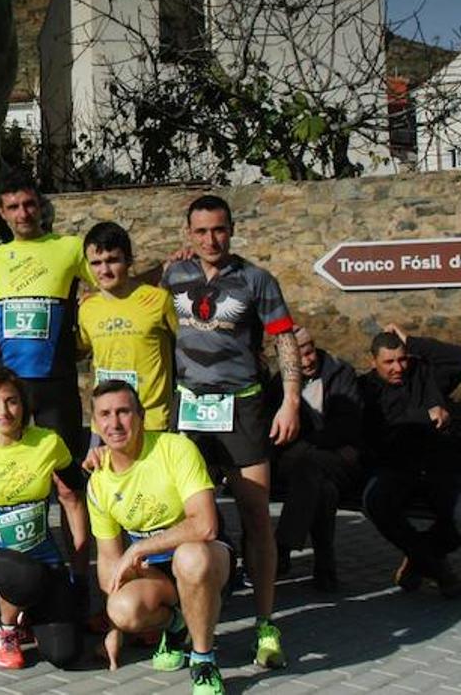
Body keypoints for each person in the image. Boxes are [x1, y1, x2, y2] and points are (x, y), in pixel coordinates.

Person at [160, 194, 299, 668]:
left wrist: (292, 401)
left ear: (232, 229)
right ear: (188, 234)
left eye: (218, 230)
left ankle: (265, 624)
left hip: (243, 408)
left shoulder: (257, 279)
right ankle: (180, 622)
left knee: (256, 519)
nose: (210, 240)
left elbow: (284, 338)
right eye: (200, 231)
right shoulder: (174, 273)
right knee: (186, 523)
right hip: (190, 410)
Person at [88, 379, 232, 695]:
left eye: (124, 412)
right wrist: (114, 627)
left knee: (190, 557)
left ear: (140, 415)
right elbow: (109, 561)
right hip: (156, 575)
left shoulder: (175, 448)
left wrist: (139, 547)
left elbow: (206, 525)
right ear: (95, 423)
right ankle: (176, 624)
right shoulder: (98, 481)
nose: (115, 423)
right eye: (105, 414)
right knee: (122, 609)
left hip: (207, 558)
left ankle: (203, 660)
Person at [0, 367, 89, 669]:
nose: (4, 411)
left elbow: (74, 497)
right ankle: (6, 628)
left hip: (44, 558)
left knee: (66, 654)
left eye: (11, 401)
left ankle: (29, 613)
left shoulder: (48, 442)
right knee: (25, 575)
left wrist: (79, 574)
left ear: (23, 405)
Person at [0, 177, 93, 460]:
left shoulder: (70, 247)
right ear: (2, 212)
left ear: (40, 207)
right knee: (8, 465)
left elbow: (111, 284)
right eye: (13, 207)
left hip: (56, 380)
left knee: (67, 474)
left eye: (28, 205)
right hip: (9, 384)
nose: (22, 214)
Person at [357, 324, 461, 599]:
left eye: (402, 359)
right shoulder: (365, 389)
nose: (397, 367)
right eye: (389, 362)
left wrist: (410, 340)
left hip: (440, 465)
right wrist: (427, 415)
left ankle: (418, 559)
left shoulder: (425, 374)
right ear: (372, 361)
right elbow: (382, 428)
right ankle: (438, 569)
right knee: (377, 503)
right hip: (395, 467)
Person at [273, 325, 362, 591]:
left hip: (339, 462)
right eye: (299, 357)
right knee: (323, 489)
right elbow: (273, 431)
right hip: (307, 463)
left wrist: (307, 446)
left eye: (310, 352)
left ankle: (282, 548)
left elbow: (348, 426)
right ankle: (325, 567)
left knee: (309, 467)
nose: (308, 361)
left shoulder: (340, 373)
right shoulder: (277, 385)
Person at [78, 221, 177, 431]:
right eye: (96, 263)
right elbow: (82, 349)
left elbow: (185, 347)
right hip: (105, 425)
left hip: (151, 423)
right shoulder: (87, 309)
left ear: (129, 260)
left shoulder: (159, 300)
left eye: (112, 260)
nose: (104, 270)